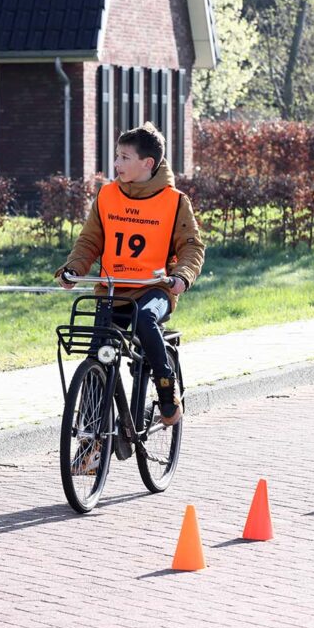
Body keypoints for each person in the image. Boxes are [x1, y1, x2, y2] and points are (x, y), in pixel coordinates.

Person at [56, 121, 205, 426]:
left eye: (124, 157)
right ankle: (91, 445)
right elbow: (89, 240)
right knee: (98, 357)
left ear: (147, 163)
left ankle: (166, 391)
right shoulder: (107, 196)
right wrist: (74, 268)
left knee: (146, 320)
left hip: (154, 289)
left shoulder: (175, 202)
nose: (116, 163)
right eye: (116, 156)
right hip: (111, 289)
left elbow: (191, 246)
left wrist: (182, 276)